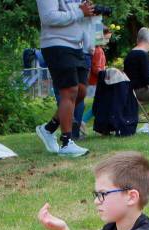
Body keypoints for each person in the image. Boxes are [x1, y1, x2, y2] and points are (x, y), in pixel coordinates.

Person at [35, 0, 106, 156]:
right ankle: (67, 142)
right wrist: (80, 12)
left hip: (77, 46)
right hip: (56, 44)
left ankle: (48, 129)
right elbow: (49, 17)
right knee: (70, 91)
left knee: (81, 92)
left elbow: (82, 18)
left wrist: (92, 17)